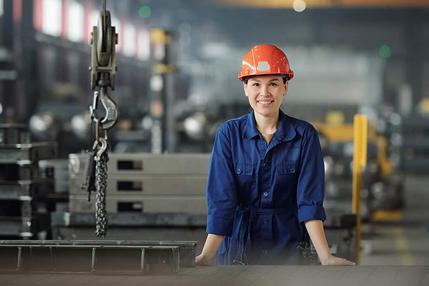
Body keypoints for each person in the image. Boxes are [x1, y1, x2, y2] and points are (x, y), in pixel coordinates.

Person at [195, 44, 355, 266]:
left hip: (287, 248)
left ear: (285, 87)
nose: (264, 93)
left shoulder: (304, 135)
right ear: (245, 88)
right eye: (256, 84)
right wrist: (207, 256)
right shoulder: (229, 135)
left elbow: (309, 201)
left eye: (273, 84)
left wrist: (325, 256)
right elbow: (222, 201)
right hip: (238, 249)